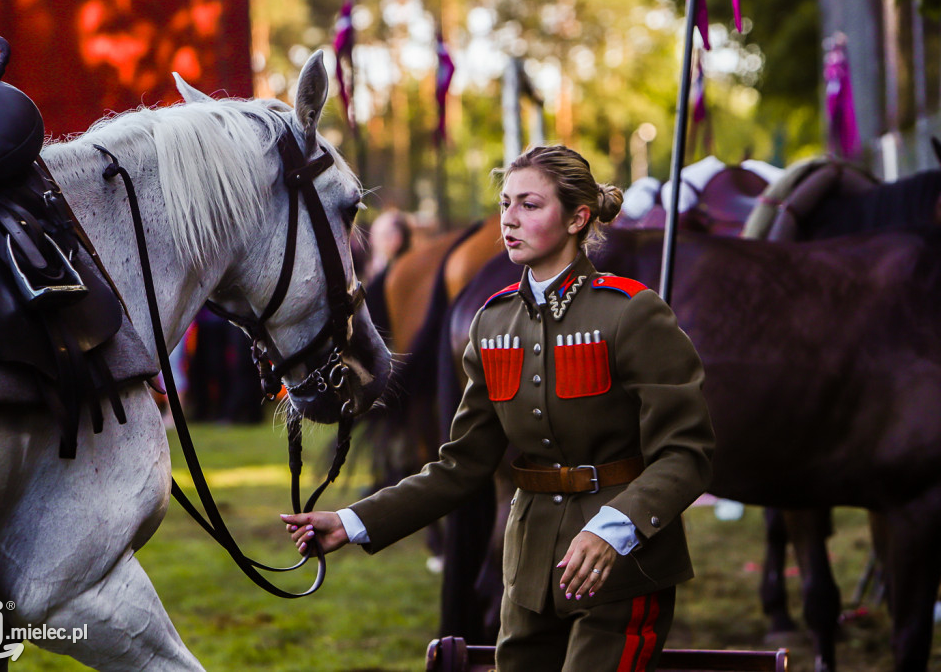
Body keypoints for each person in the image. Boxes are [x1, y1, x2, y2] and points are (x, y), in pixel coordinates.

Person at [281, 145, 715, 671]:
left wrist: (614, 529)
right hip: (529, 574)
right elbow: (461, 466)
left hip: (622, 569)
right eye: (506, 203)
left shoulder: (633, 314)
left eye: (530, 205)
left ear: (579, 218)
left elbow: (687, 453)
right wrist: (351, 522)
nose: (509, 218)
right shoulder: (491, 324)